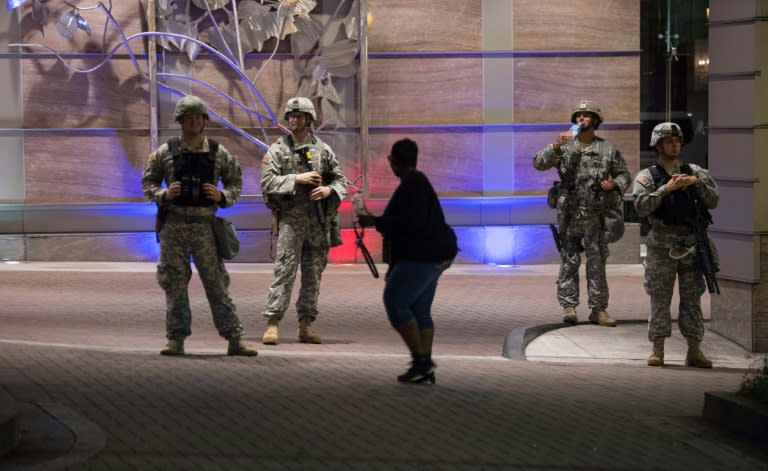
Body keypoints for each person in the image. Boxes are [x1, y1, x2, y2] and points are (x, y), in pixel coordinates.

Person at [141, 95, 257, 357]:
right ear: (180, 121)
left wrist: (222, 196)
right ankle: (176, 339)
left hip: (205, 228)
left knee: (216, 285)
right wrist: (164, 194)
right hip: (174, 227)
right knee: (174, 286)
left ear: (204, 120)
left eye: (198, 117)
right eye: (188, 117)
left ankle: (234, 338)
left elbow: (235, 183)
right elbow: (147, 183)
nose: (193, 121)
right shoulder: (165, 152)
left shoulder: (218, 153)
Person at [357, 138, 458, 384]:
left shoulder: (412, 185)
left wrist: (376, 222)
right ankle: (424, 366)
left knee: (396, 303)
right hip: (440, 253)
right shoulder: (416, 182)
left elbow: (410, 223)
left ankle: (421, 361)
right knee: (420, 309)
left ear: (393, 161)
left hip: (424, 255)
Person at [533, 99, 631, 326]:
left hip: (597, 215)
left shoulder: (607, 149)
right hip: (570, 214)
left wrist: (614, 184)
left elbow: (625, 174)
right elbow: (538, 163)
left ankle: (598, 309)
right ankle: (569, 306)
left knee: (597, 262)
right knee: (569, 260)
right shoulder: (564, 147)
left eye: (586, 115)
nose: (581, 119)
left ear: (596, 120)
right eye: (578, 115)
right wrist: (556, 146)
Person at [260, 97, 348, 345]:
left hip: (317, 221)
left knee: (313, 275)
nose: (294, 120)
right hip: (291, 220)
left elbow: (340, 181)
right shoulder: (277, 150)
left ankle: (306, 324)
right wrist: (296, 179)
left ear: (309, 119)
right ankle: (273, 323)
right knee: (284, 271)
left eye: (299, 116)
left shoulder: (323, 150)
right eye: (291, 116)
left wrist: (329, 191)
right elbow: (267, 182)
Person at [632, 122, 719, 368]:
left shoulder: (695, 171)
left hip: (691, 246)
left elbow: (714, 200)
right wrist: (665, 189)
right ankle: (657, 349)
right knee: (660, 298)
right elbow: (640, 207)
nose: (675, 145)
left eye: (677, 141)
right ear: (658, 145)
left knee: (692, 298)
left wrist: (696, 183)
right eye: (669, 141)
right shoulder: (647, 176)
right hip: (661, 247)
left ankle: (694, 350)